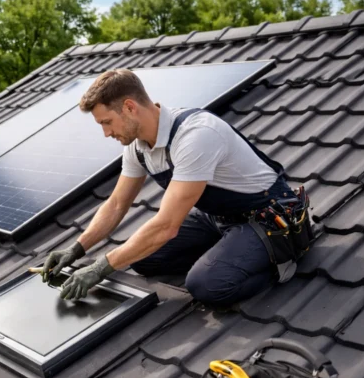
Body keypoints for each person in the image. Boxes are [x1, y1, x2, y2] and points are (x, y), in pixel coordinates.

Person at [41, 68, 306, 308]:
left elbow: (167, 225)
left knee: (206, 285)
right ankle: (232, 250)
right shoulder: (138, 147)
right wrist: (77, 248)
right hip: (218, 218)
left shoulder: (195, 135)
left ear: (129, 107)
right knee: (141, 258)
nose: (106, 133)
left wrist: (99, 268)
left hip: (266, 218)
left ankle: (279, 257)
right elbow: (116, 204)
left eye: (106, 122)